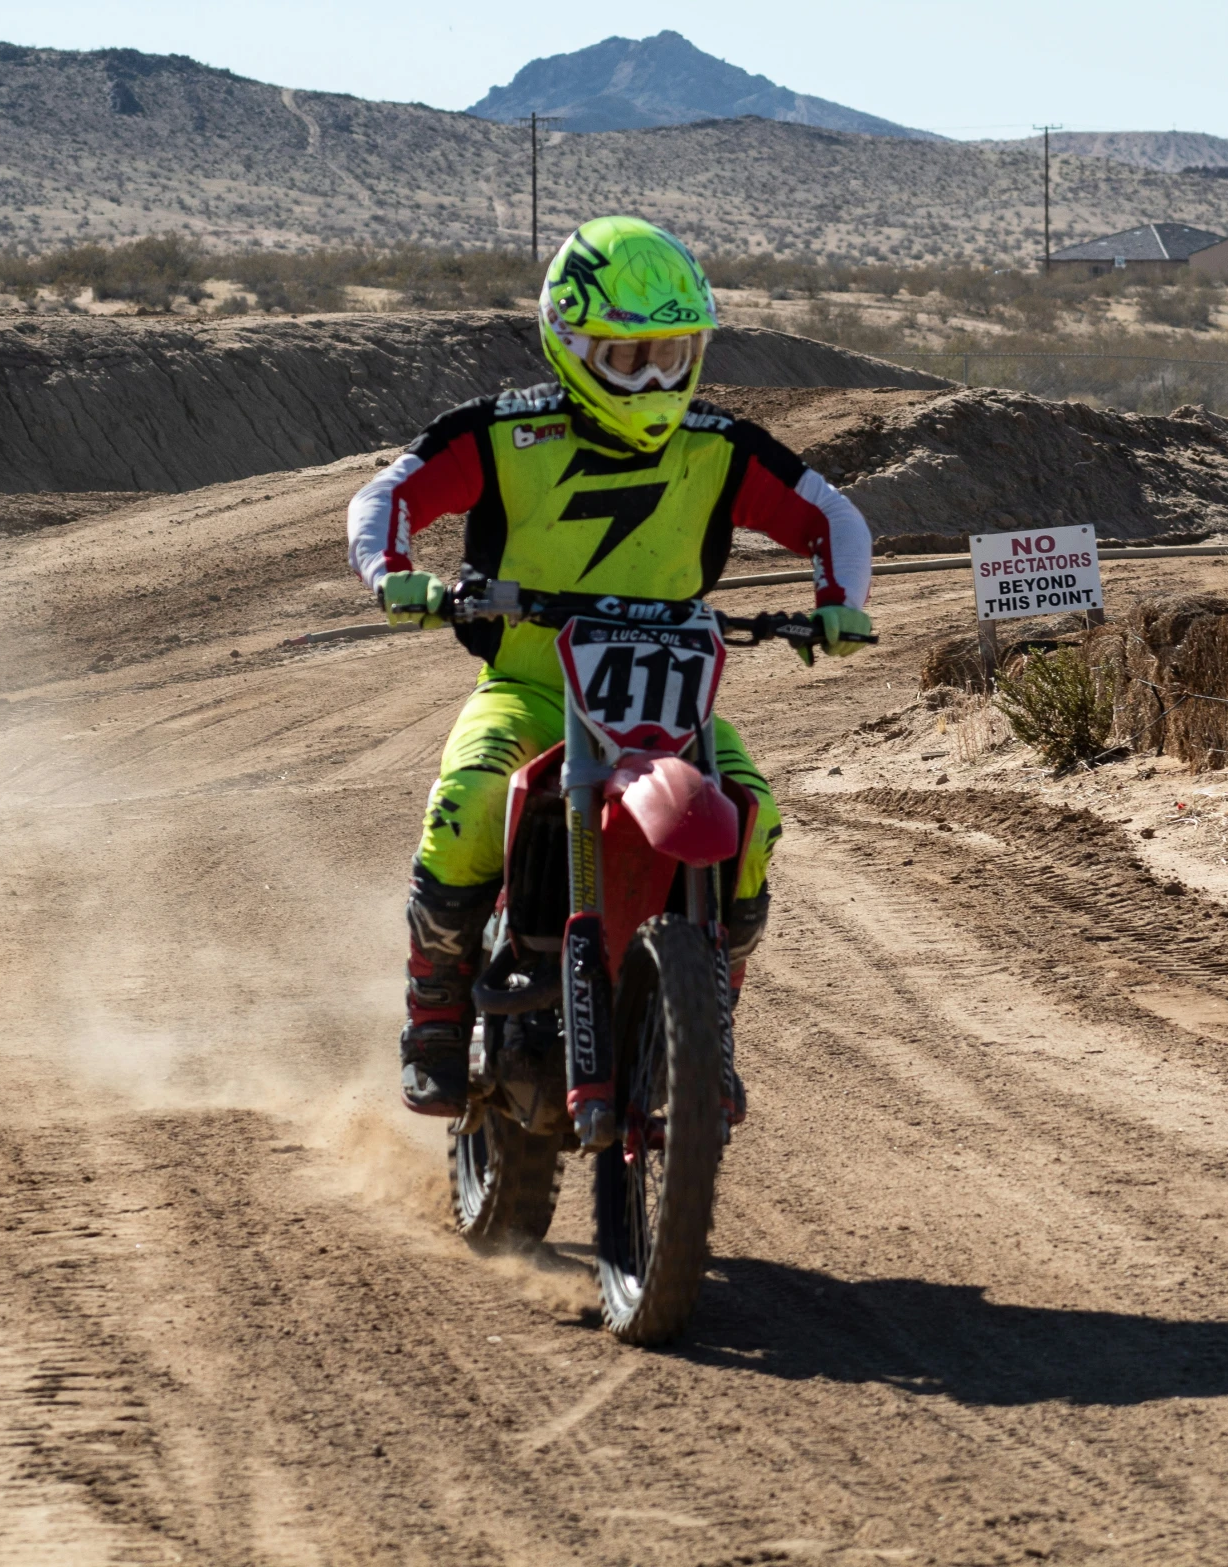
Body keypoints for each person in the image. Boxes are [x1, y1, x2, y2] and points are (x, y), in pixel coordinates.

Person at [345, 216, 874, 1119]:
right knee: (470, 803)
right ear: (570, 345)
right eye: (629, 360)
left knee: (754, 818)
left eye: (674, 355)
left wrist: (841, 602)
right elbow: (388, 494)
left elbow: (836, 518)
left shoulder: (719, 446)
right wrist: (395, 574)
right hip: (529, 691)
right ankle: (433, 1015)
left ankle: (709, 1027)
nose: (656, 380)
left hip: (672, 711)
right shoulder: (506, 435)